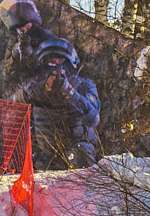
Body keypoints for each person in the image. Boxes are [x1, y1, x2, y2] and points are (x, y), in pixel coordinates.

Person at [18, 37, 102, 170]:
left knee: (82, 155)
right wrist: (44, 89)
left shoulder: (84, 85)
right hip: (44, 152)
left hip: (77, 148)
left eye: (62, 62)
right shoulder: (34, 86)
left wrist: (72, 94)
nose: (58, 68)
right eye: (52, 62)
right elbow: (16, 103)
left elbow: (93, 119)